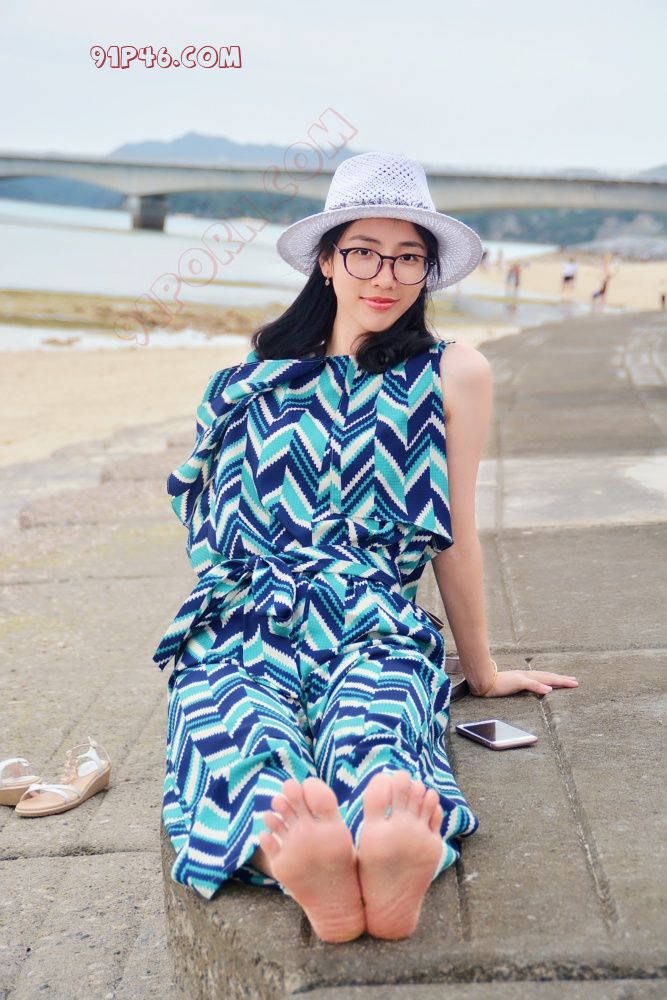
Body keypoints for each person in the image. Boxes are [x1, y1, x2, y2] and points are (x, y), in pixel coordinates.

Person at [152, 151, 578, 945]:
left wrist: (482, 671)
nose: (386, 276)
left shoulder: (451, 371)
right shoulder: (249, 380)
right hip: (244, 620)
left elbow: (453, 531)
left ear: (427, 271)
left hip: (372, 617)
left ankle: (384, 852)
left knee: (376, 726)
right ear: (325, 260)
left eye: (408, 257)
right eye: (364, 253)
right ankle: (301, 859)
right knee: (236, 720)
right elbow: (215, 535)